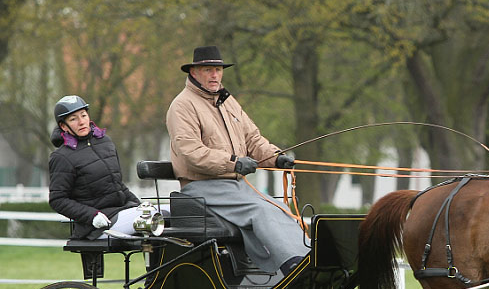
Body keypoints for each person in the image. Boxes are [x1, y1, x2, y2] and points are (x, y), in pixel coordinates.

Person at [166, 45, 307, 275]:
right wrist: (234, 162)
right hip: (202, 187)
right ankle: (292, 264)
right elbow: (191, 153)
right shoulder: (182, 106)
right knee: (261, 211)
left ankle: (306, 258)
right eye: (208, 70)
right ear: (194, 72)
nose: (215, 75)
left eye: (218, 70)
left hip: (235, 186)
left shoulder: (228, 102)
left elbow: (253, 140)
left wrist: (276, 158)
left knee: (278, 206)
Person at [48, 95, 146, 239]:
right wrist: (92, 216)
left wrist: (139, 205)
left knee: (168, 215)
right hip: (96, 225)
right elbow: (57, 200)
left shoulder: (105, 142)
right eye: (73, 119)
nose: (81, 122)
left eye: (83, 115)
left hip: (122, 212)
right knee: (155, 220)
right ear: (64, 126)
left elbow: (117, 185)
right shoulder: (61, 157)